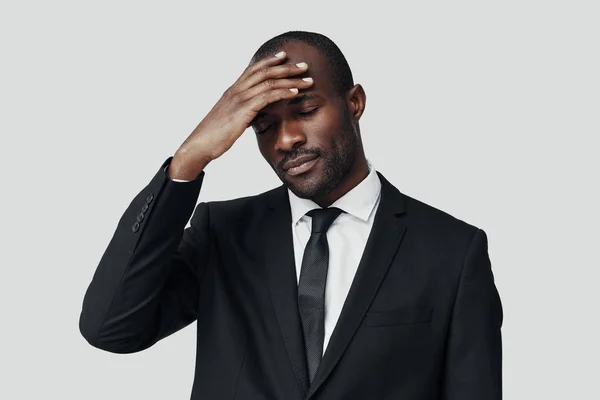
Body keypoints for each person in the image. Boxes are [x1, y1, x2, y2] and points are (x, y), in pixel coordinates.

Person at [79, 30, 503, 400]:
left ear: (354, 102)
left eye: (305, 112)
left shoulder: (452, 252)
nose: (286, 139)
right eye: (263, 127)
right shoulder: (223, 234)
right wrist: (190, 159)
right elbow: (111, 328)